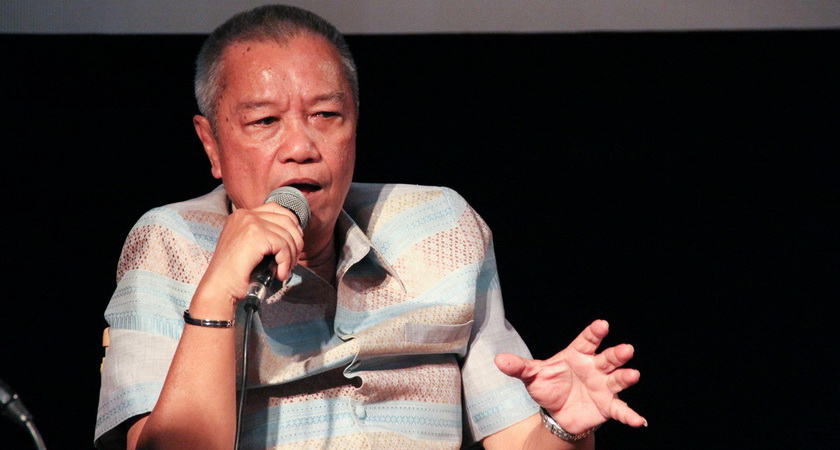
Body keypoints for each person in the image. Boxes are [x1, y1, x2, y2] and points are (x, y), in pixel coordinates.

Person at [95, 4, 646, 449]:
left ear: (355, 126)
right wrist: (216, 295)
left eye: (326, 116)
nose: (300, 147)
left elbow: (516, 439)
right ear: (211, 144)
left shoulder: (442, 229)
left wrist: (563, 426)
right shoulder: (168, 244)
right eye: (265, 121)